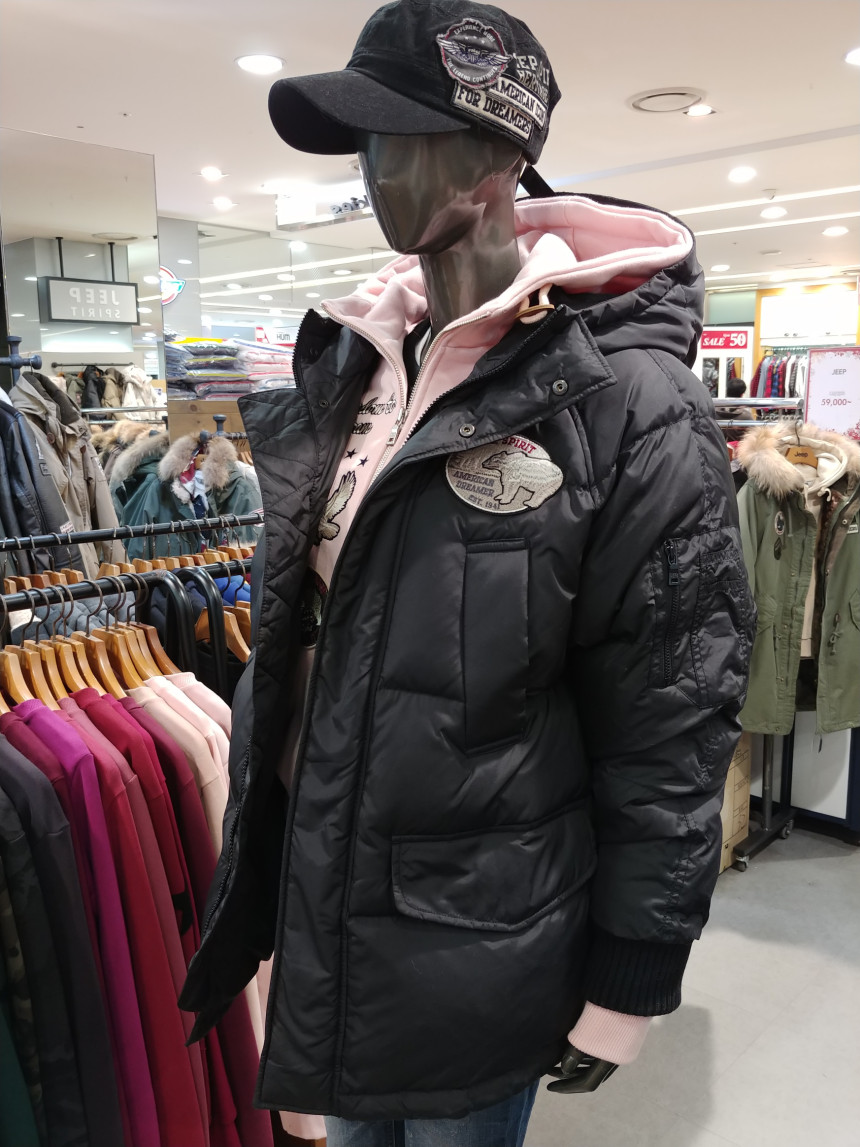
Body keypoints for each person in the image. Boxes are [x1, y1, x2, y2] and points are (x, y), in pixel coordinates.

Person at [180, 3, 754, 1145]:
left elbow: (672, 710)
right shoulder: (355, 372)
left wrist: (632, 967)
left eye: (403, 136)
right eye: (363, 141)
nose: (374, 168)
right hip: (331, 897)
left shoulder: (630, 406)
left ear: (498, 155)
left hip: (484, 933)